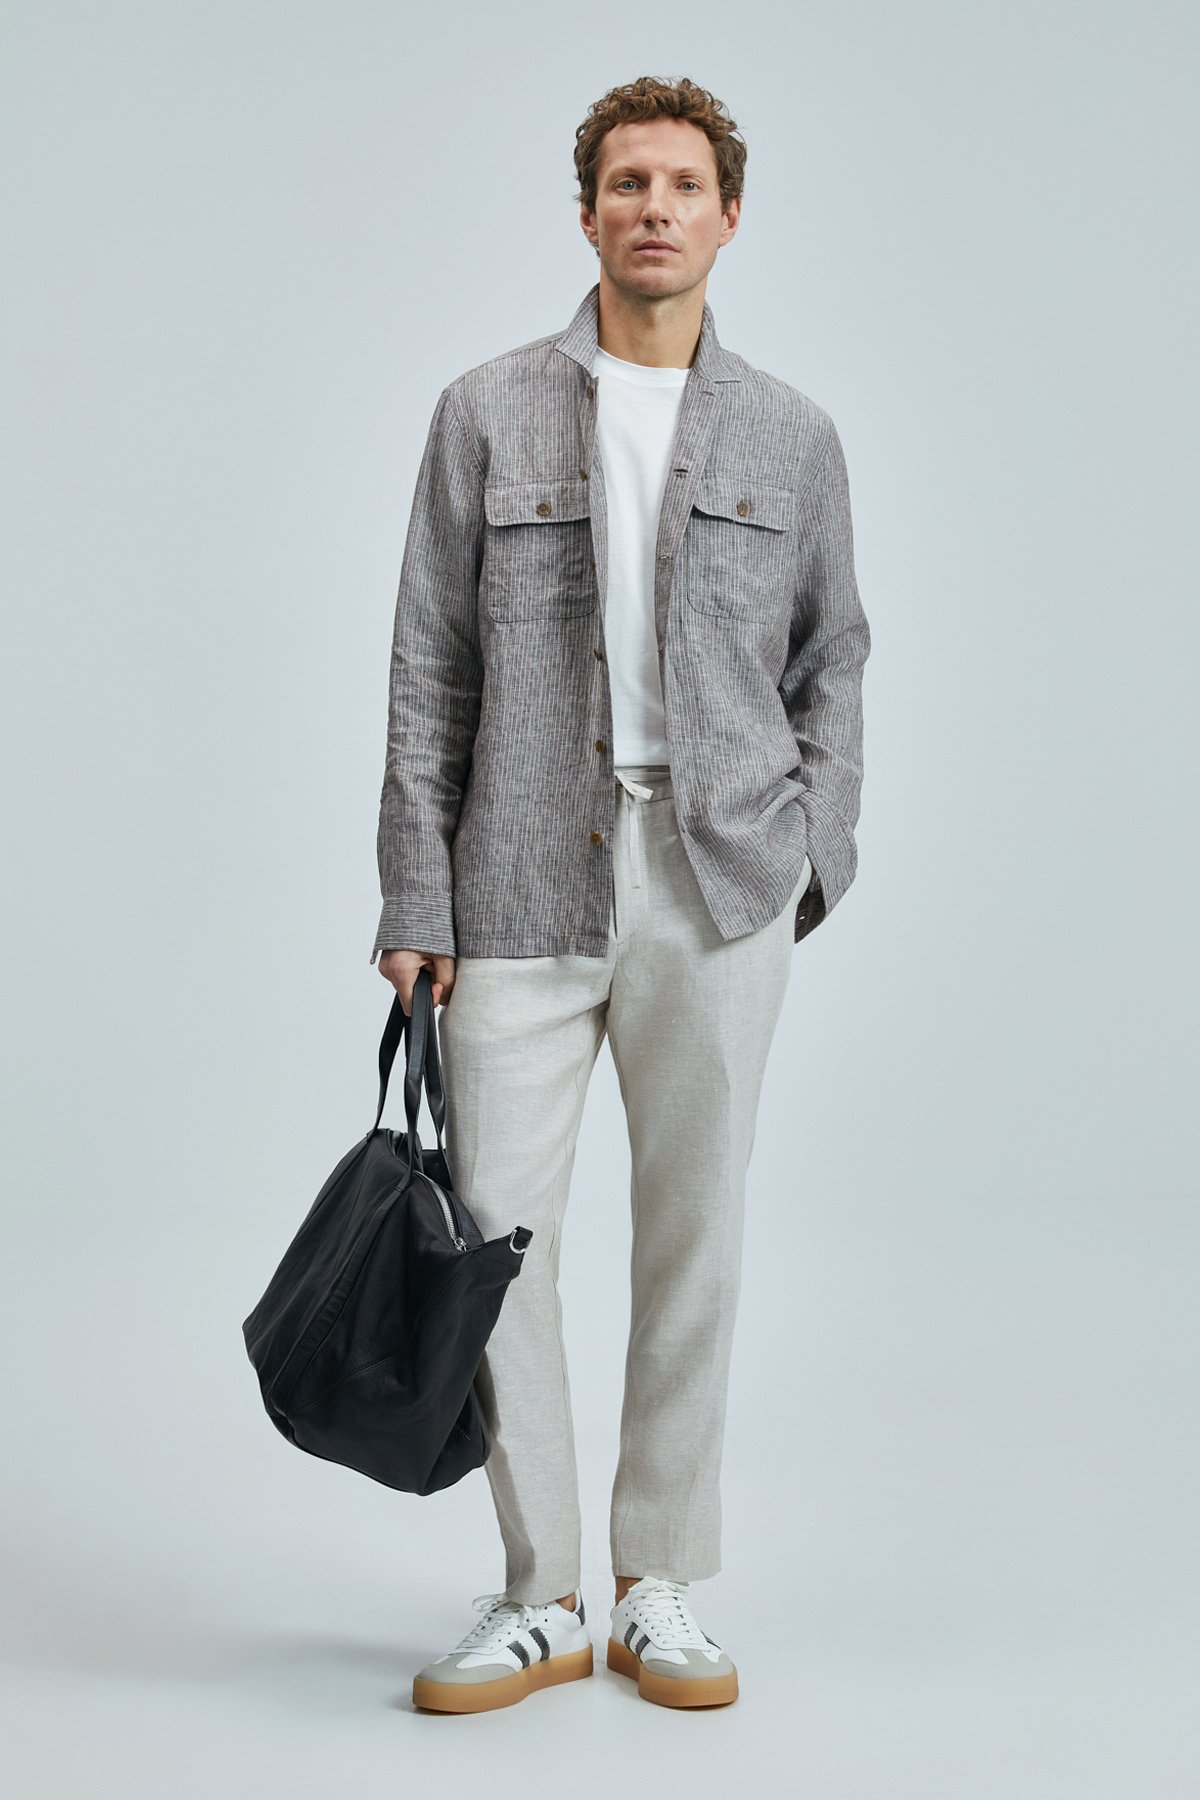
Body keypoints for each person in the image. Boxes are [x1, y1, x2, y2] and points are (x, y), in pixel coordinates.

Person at [372, 74, 871, 1713]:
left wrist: (810, 857)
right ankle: (541, 1594)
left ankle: (660, 1581)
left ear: (730, 216)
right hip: (517, 874)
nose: (655, 207)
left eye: (683, 184)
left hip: (718, 879)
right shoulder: (486, 412)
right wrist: (417, 895)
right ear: (586, 212)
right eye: (627, 183)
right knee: (498, 1240)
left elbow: (834, 658)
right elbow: (429, 669)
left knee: (693, 1237)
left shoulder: (794, 435)